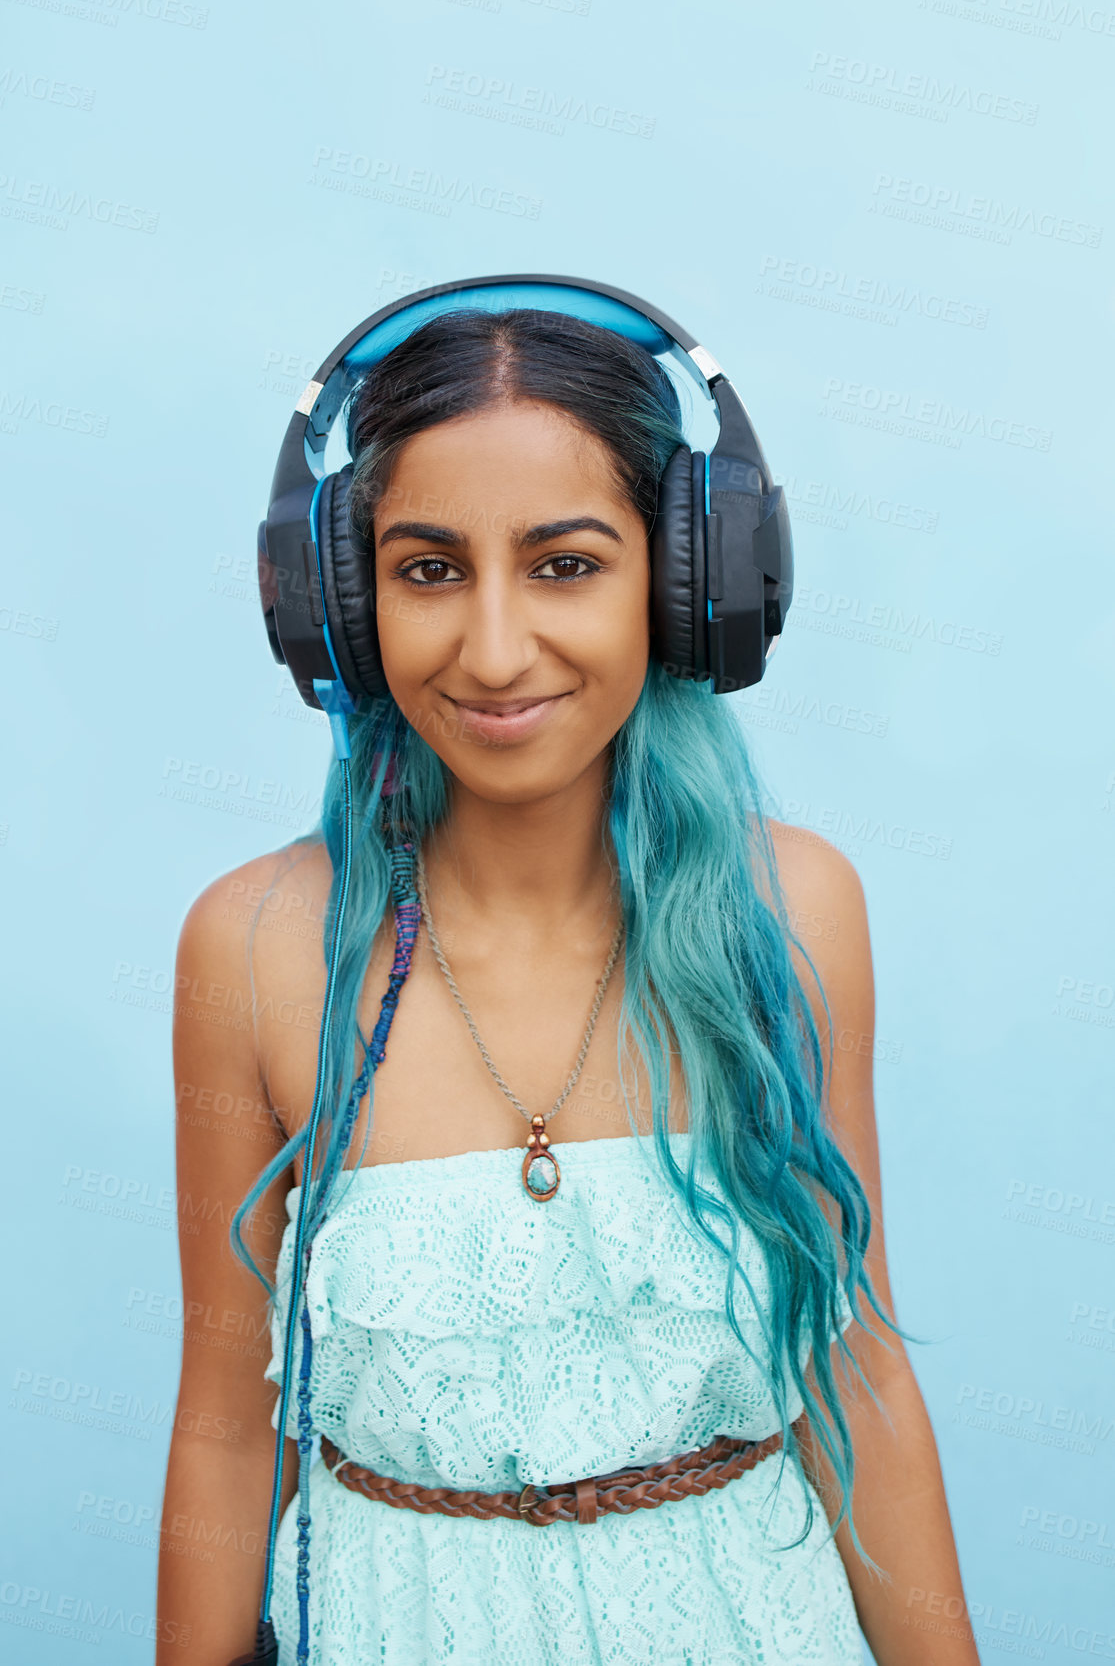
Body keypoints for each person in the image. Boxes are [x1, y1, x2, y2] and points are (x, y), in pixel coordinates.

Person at [158, 303, 980, 1665]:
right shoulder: (248, 947)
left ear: (691, 584)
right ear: (338, 610)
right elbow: (225, 1423)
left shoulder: (798, 911)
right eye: (427, 572)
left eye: (564, 566)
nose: (491, 651)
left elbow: (861, 1375)